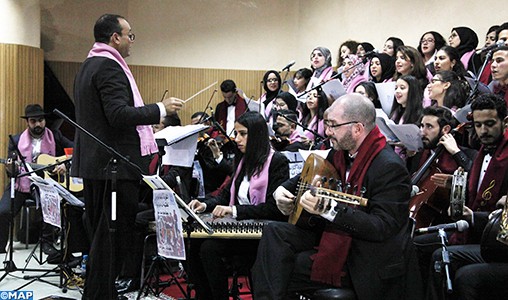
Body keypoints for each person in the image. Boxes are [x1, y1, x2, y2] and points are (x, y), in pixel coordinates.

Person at [252, 93, 422, 300]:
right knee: (274, 233)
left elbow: (382, 227)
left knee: (282, 266)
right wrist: (281, 190)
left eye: (333, 125)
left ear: (357, 128)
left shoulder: (390, 167)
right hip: (338, 237)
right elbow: (302, 176)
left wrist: (328, 209)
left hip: (366, 254)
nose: (327, 132)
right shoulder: (340, 152)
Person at [72, 14, 183, 299]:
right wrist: (160, 108)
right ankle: (101, 295)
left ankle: (101, 292)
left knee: (102, 236)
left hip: (96, 166)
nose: (132, 41)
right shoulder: (110, 67)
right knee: (112, 237)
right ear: (115, 37)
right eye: (129, 35)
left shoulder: (87, 65)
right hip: (115, 169)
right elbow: (118, 115)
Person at [188, 111, 289, 300]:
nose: (236, 139)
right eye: (236, 133)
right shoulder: (242, 161)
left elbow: (273, 209)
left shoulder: (277, 161)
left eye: (243, 134)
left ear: (257, 135)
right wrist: (204, 204)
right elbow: (225, 197)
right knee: (194, 244)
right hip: (239, 229)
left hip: (261, 235)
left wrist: (234, 210)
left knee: (209, 248)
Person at [426, 93, 508, 300]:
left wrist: (472, 217)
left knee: (451, 263)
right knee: (416, 245)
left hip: (499, 244)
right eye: (478, 125)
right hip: (480, 232)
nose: (483, 131)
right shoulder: (481, 153)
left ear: (504, 122)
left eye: (489, 124)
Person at [0, 104, 73, 255]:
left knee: (49, 202)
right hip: (21, 183)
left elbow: (75, 150)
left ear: (45, 121)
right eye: (33, 121)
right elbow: (12, 171)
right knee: (3, 210)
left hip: (45, 183)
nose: (38, 124)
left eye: (40, 120)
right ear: (27, 122)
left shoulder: (55, 135)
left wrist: (66, 164)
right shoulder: (16, 140)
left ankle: (47, 243)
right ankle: (1, 246)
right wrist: (11, 168)